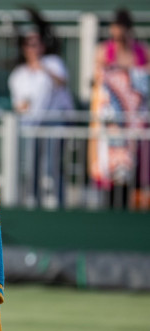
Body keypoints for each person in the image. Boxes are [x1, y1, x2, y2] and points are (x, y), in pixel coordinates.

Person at [7, 7, 74, 209]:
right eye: (29, 44)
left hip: (54, 123)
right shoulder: (18, 74)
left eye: (36, 43)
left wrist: (42, 68)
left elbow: (61, 82)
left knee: (54, 167)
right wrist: (23, 107)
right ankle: (34, 204)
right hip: (31, 126)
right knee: (33, 167)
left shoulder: (53, 63)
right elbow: (18, 104)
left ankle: (59, 205)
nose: (33, 47)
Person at [90, 8, 150, 209]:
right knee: (111, 173)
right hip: (111, 127)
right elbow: (100, 81)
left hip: (136, 126)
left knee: (134, 174)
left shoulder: (143, 52)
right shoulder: (103, 51)